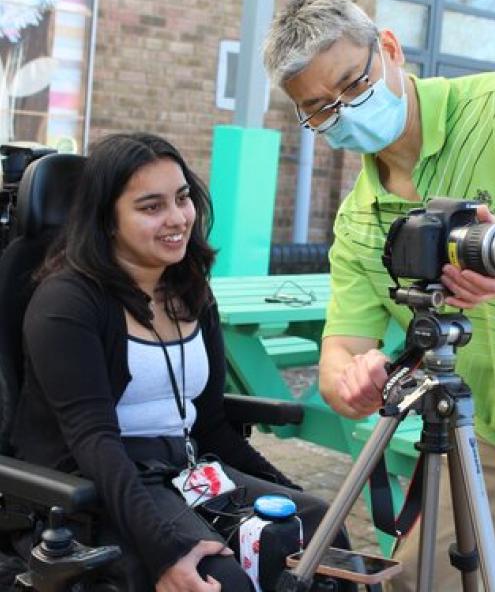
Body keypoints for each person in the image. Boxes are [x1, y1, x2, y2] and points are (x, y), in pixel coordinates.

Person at [263, 0, 495, 591]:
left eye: (353, 83)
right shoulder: (359, 221)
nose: (345, 110)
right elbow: (340, 353)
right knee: (417, 579)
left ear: (389, 47)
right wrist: (350, 381)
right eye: (319, 109)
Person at [10, 132, 351, 591]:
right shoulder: (67, 302)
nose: (177, 218)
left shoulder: (189, 289)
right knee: (220, 578)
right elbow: (93, 441)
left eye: (182, 198)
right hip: (101, 484)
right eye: (151, 207)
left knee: (321, 534)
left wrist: (287, 491)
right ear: (106, 219)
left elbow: (209, 424)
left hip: (188, 470)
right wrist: (166, 552)